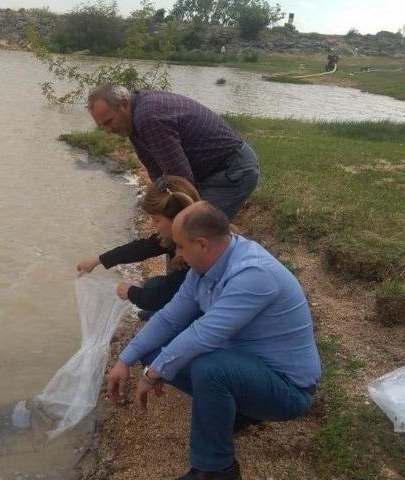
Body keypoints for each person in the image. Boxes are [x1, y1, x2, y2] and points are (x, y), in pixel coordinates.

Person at [106, 201, 321, 480]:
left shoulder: (253, 274)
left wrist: (151, 375)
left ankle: (216, 469)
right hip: (248, 367)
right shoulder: (205, 269)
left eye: (181, 247)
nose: (178, 256)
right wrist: (126, 359)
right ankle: (235, 410)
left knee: (210, 367)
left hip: (289, 389)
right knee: (152, 351)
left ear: (202, 244)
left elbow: (203, 335)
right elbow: (170, 317)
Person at [87, 83, 260, 221]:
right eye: (103, 126)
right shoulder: (132, 122)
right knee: (179, 232)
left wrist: (169, 216)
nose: (108, 130)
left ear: (124, 104)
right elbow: (156, 172)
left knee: (193, 230)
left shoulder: (148, 117)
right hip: (212, 171)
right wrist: (158, 205)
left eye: (109, 122)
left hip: (232, 172)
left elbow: (180, 180)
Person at [77, 175, 199, 320]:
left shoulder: (193, 257)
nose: (153, 225)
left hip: (202, 309)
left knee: (154, 291)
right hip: (189, 294)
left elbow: (162, 294)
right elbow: (141, 248)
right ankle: (162, 312)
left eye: (156, 220)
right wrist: (98, 260)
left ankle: (172, 318)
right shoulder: (180, 236)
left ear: (177, 219)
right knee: (153, 285)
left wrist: (130, 292)